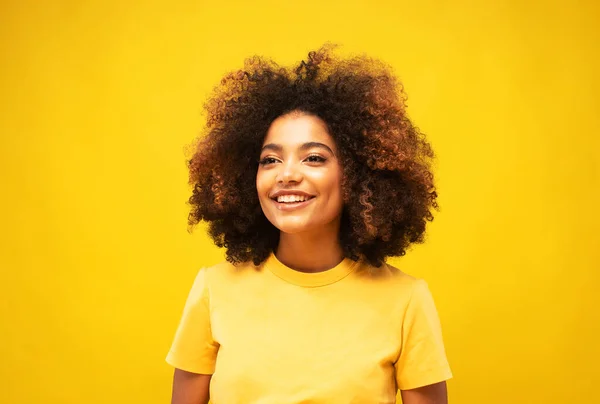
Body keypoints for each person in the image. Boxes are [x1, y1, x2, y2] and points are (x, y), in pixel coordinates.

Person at [166, 44, 452, 404]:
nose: (287, 174)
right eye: (270, 160)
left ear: (357, 174)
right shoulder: (214, 289)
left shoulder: (407, 300)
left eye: (313, 158)